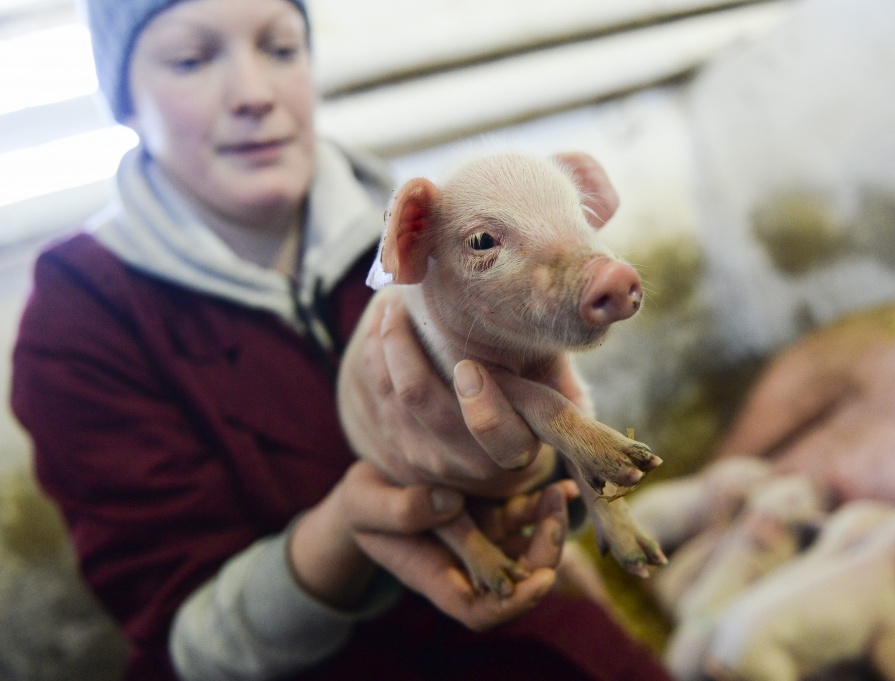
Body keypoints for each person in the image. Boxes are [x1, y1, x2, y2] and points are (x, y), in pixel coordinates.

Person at [10, 0, 674, 679]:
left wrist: (535, 472)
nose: (255, 94)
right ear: (122, 97)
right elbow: (190, 645)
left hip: (544, 640)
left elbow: (555, 461)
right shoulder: (81, 318)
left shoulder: (429, 219)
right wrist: (349, 529)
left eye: (281, 47)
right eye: (190, 58)